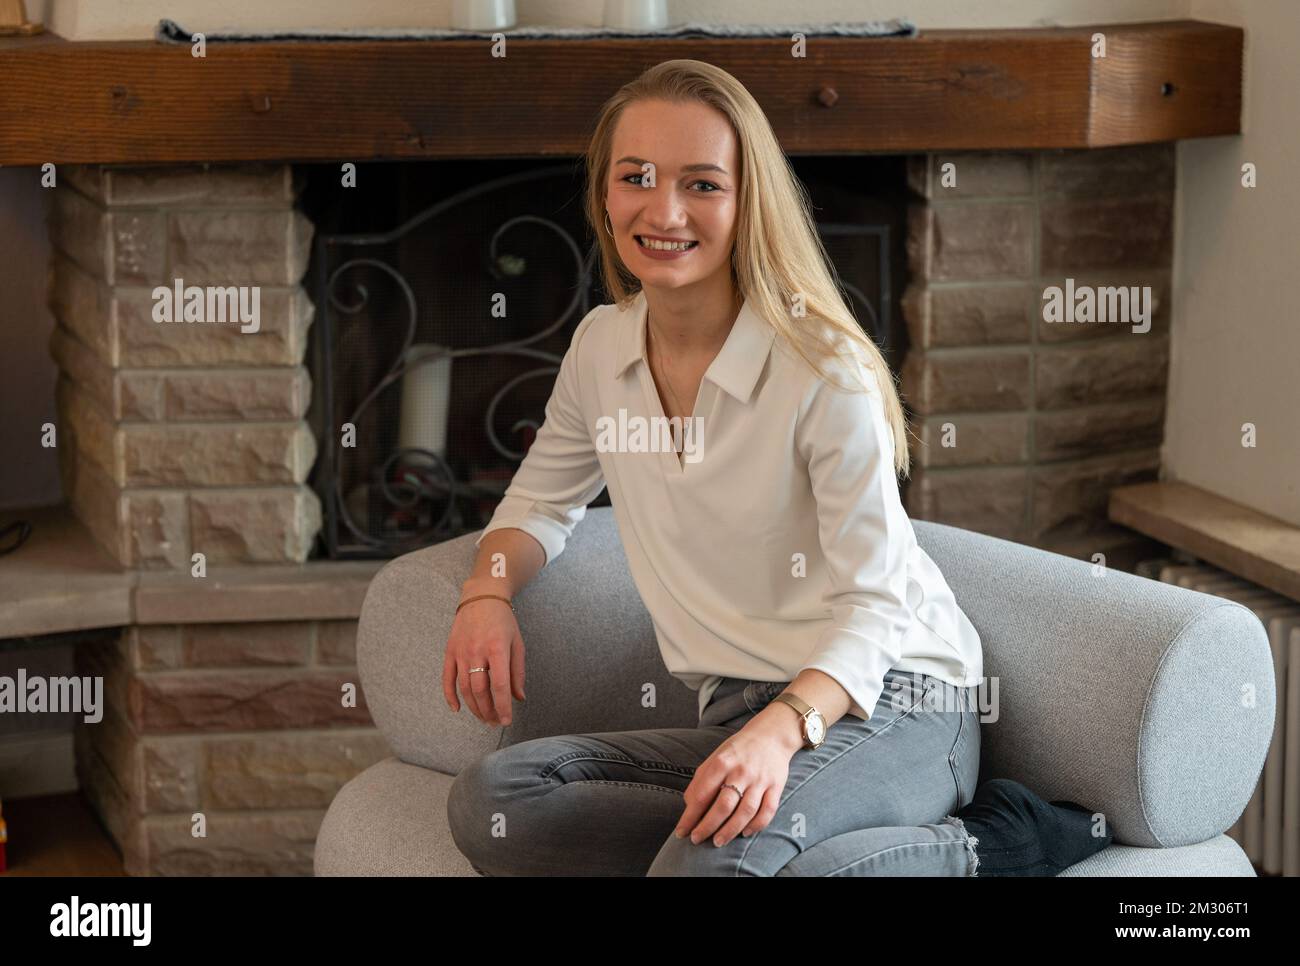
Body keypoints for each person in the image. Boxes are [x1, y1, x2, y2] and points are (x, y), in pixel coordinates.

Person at [444, 59, 1111, 876]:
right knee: (500, 799)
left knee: (714, 866)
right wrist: (486, 594)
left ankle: (1000, 840)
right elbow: (540, 502)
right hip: (736, 708)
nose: (665, 210)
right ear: (605, 194)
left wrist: (783, 729)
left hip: (892, 697)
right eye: (637, 178)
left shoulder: (822, 370)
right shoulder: (600, 348)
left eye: (702, 184)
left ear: (747, 199)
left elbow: (877, 602)